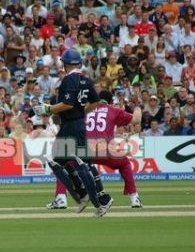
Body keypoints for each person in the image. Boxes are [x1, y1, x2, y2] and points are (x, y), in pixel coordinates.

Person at [34, 49, 112, 217]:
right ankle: (85, 195)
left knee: (79, 163)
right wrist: (82, 112)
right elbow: (96, 101)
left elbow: (67, 105)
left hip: (71, 125)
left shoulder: (69, 79)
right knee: (57, 161)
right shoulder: (85, 79)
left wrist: (47, 108)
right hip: (75, 124)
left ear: (65, 63)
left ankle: (97, 203)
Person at [87, 90, 144, 208]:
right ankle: (134, 197)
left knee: (66, 165)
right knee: (124, 164)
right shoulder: (113, 110)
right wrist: (137, 105)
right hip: (105, 148)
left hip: (87, 149)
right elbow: (137, 120)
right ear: (111, 102)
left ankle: (61, 197)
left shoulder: (87, 110)